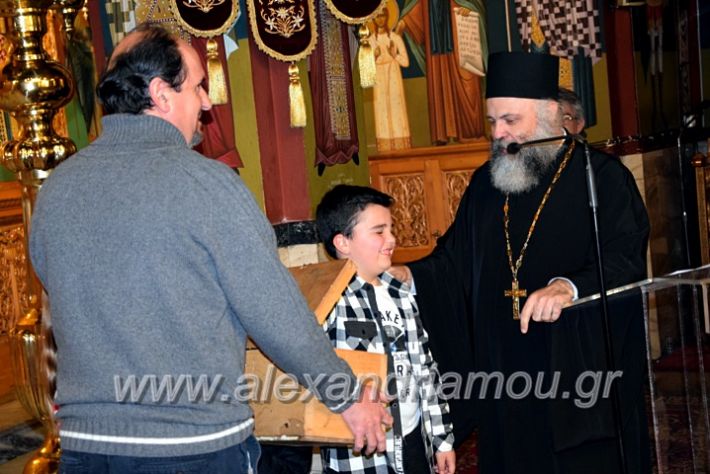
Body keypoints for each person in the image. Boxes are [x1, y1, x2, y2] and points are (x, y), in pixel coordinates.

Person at [29, 24, 392, 472]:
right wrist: (346, 395)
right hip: (190, 445)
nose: (206, 102)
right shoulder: (206, 184)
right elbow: (273, 311)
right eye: (198, 86)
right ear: (161, 94)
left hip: (86, 447)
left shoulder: (58, 188)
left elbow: (58, 294)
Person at [393, 52, 650, 473]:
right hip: (504, 368)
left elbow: (625, 256)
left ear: (549, 114)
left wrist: (569, 287)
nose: (498, 133)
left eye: (510, 120)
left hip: (574, 367)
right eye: (493, 121)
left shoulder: (602, 177)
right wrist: (410, 274)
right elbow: (454, 259)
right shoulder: (486, 183)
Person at [316, 185, 455, 474]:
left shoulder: (400, 294)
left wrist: (442, 440)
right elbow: (315, 369)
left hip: (413, 438)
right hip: (361, 452)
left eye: (391, 229)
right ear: (343, 242)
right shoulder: (330, 301)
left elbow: (426, 369)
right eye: (379, 231)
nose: (391, 239)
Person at [370, 6, 412, 152]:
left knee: (396, 109)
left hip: (393, 75)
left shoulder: (395, 38)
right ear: (373, 19)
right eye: (377, 16)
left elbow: (406, 62)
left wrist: (394, 55)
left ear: (387, 17)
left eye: (383, 15)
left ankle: (401, 146)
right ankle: (385, 148)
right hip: (379, 78)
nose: (380, 19)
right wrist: (374, 56)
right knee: (381, 110)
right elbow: (365, 69)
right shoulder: (370, 41)